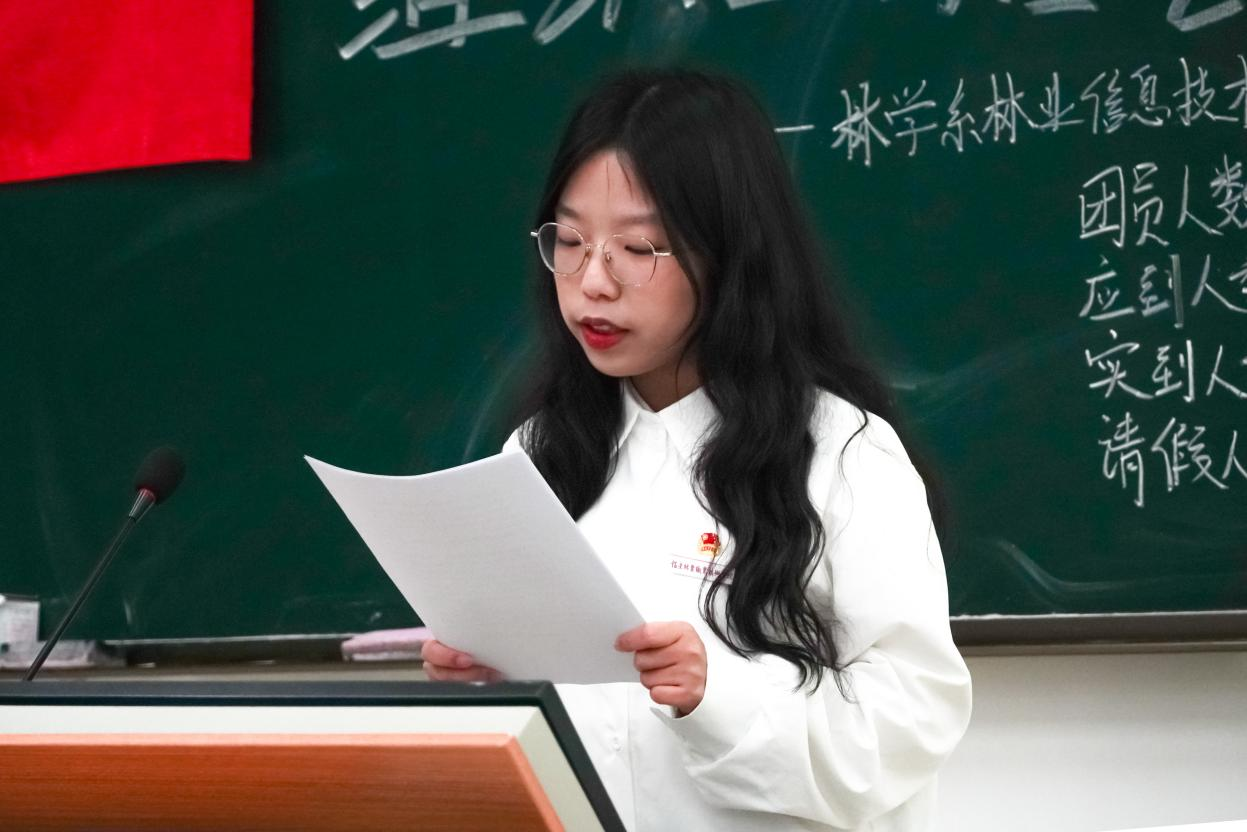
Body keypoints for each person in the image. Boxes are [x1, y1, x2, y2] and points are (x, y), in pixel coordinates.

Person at [422, 68, 972, 831]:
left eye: (637, 247)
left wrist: (715, 695)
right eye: (570, 241)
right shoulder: (540, 451)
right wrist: (489, 680)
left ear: (728, 254)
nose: (591, 283)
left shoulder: (841, 454)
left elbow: (909, 724)